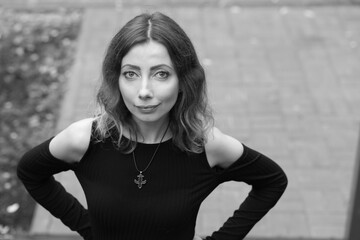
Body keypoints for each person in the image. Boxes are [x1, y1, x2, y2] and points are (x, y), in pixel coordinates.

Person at [17, 12, 288, 240]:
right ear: (116, 78)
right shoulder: (86, 139)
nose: (144, 91)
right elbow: (30, 171)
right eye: (131, 74)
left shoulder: (206, 145)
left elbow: (272, 181)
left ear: (183, 80)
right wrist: (87, 227)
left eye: (161, 74)